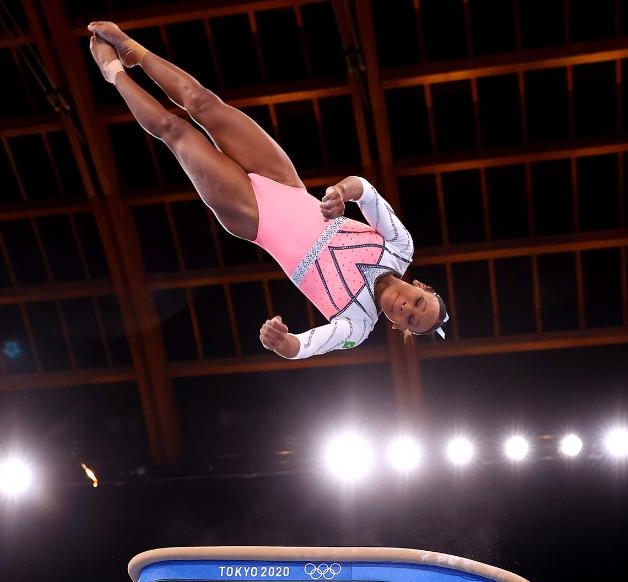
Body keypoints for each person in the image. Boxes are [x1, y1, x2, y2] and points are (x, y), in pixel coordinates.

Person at [87, 22, 450, 359]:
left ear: (399, 328)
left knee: (176, 132)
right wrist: (342, 192)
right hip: (286, 183)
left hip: (254, 218)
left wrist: (281, 342)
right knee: (203, 102)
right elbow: (366, 191)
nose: (408, 307)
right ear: (420, 286)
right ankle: (133, 49)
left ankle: (113, 73)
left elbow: (303, 346)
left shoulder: (357, 325)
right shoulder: (400, 247)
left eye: (412, 320)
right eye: (419, 303)